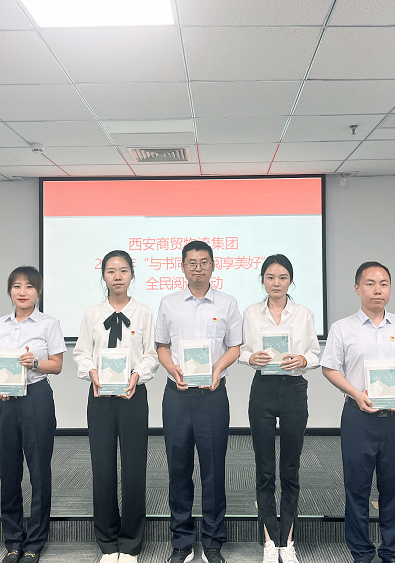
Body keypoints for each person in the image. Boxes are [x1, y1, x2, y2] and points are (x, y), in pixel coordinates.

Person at [320, 262, 395, 563]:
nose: (378, 290)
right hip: (358, 417)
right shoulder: (342, 328)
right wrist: (355, 393)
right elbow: (329, 368)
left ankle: (393, 552)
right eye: (370, 283)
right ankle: (361, 552)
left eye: (384, 283)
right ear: (357, 288)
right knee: (357, 487)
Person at [155, 241, 243, 563]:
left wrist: (218, 368)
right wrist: (172, 368)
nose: (198, 268)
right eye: (191, 262)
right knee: (178, 469)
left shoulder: (228, 303)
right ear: (182, 267)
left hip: (212, 397)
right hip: (176, 396)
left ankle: (213, 541)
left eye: (204, 262)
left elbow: (235, 347)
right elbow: (161, 345)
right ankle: (181, 540)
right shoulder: (168, 303)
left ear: (213, 266)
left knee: (213, 471)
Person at [73, 250, 159, 563]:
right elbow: (81, 352)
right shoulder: (92, 313)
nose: (118, 276)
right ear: (104, 276)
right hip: (100, 397)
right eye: (111, 271)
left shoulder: (145, 313)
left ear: (132, 274)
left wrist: (137, 375)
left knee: (135, 468)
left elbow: (151, 354)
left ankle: (131, 542)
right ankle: (108, 542)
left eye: (123, 270)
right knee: (103, 467)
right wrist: (92, 372)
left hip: (133, 396)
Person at [239, 254, 320, 563]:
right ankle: (269, 540)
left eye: (283, 277)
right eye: (270, 277)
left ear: (291, 281)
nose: (276, 283)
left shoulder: (303, 313)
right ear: (262, 280)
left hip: (294, 389)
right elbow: (242, 350)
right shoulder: (251, 312)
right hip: (263, 388)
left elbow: (315, 353)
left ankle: (288, 539)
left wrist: (302, 359)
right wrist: (250, 358)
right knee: (264, 467)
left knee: (290, 467)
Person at [0, 266, 67, 563]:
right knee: (8, 472)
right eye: (17, 286)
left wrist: (35, 363)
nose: (22, 292)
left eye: (29, 286)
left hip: (36, 398)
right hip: (4, 400)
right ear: (10, 291)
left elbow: (57, 365)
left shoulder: (49, 324)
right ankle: (13, 540)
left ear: (38, 291)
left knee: (39, 471)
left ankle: (35, 540)